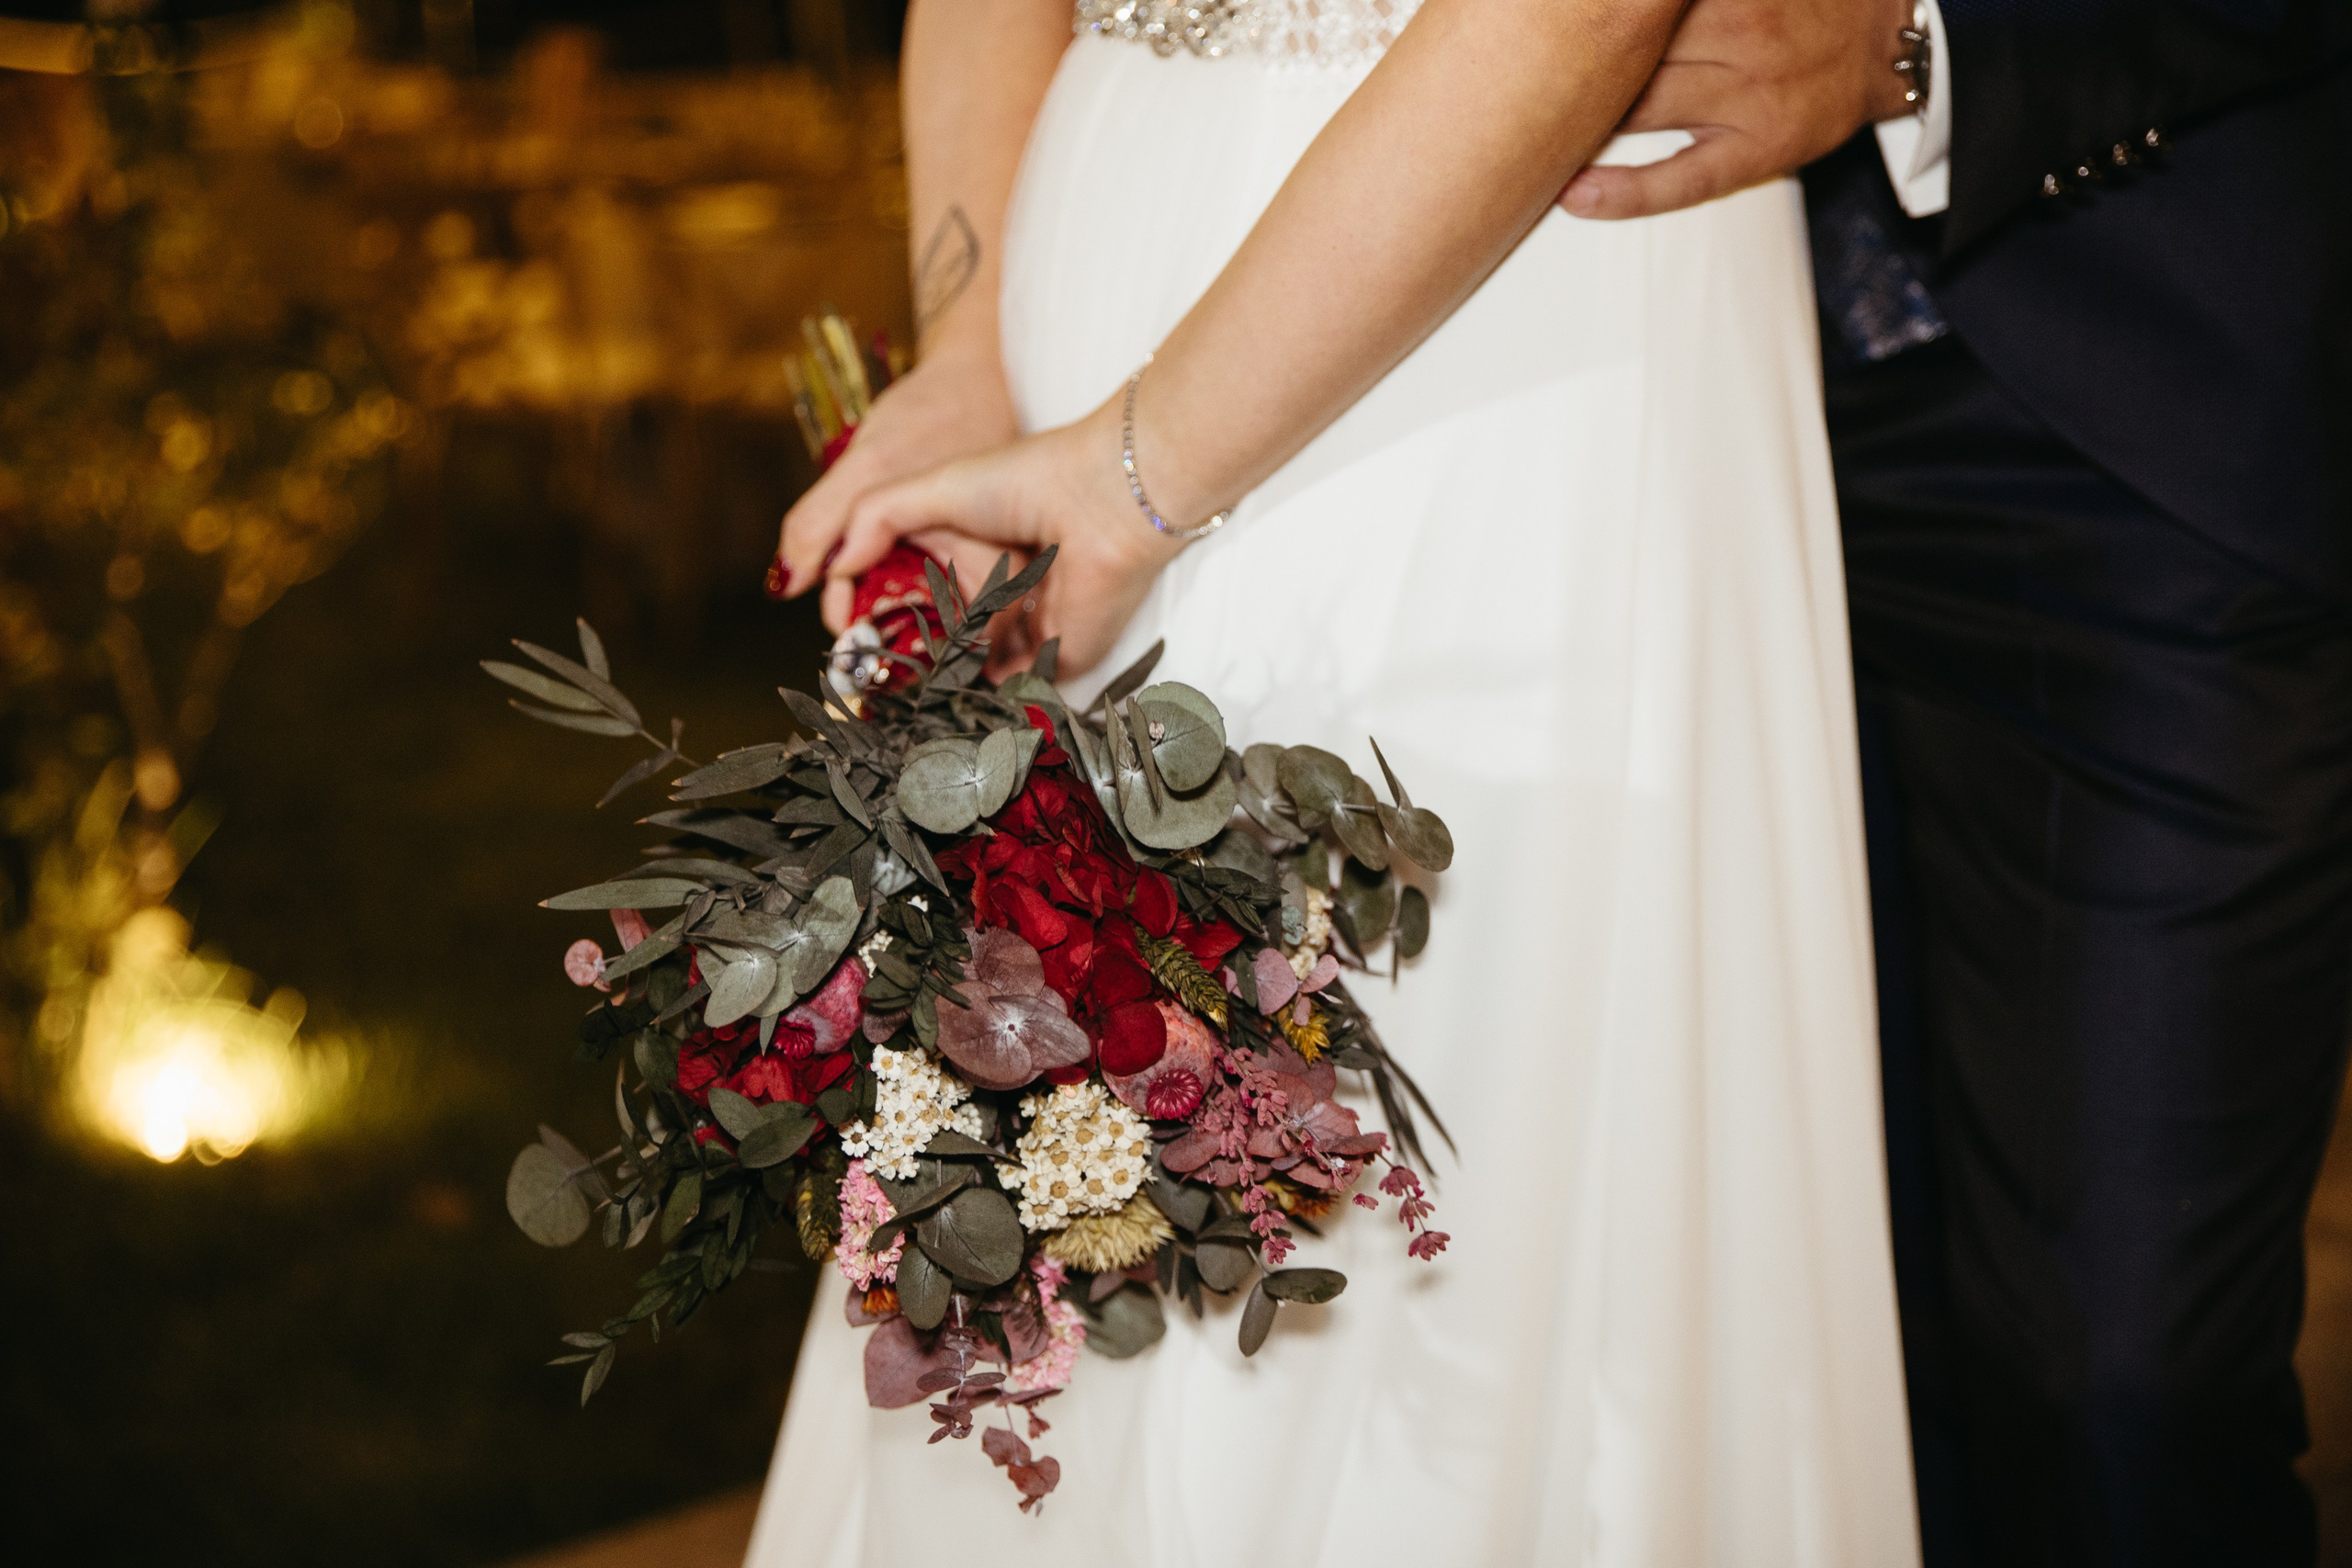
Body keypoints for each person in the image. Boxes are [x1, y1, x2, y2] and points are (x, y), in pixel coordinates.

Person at [744, 0, 1924, 1561]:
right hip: (1094, 249)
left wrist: (1134, 476)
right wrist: (977, 353)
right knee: (1059, 1119)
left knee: (1475, 1161)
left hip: (1521, 255)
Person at [1565, 1, 2352, 1562]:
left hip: (2112, 416)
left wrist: (1928, 44)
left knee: (2116, 1396)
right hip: (1593, 428)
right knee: (1753, 1345)